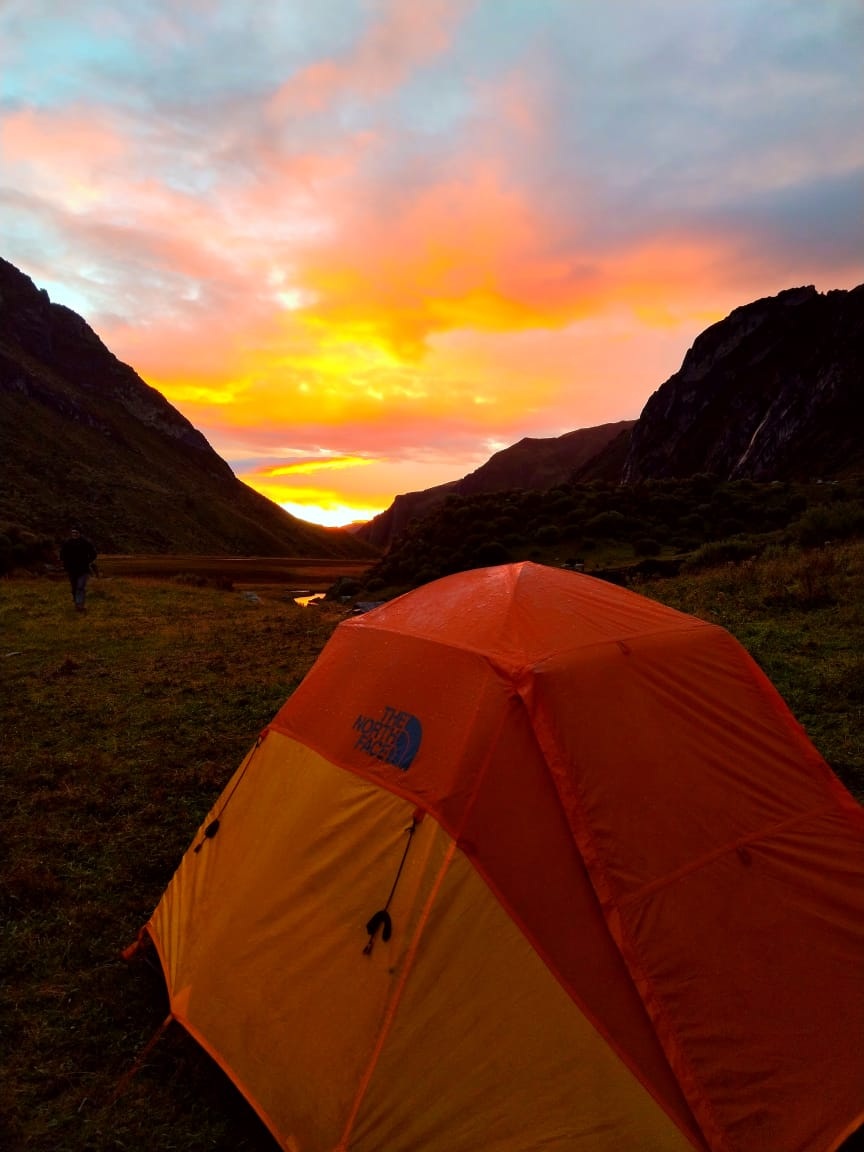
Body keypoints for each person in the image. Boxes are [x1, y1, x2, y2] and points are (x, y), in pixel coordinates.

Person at [59, 525, 98, 612]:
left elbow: (93, 553)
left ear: (80, 533)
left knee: (80, 587)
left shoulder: (85, 543)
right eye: (73, 532)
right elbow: (62, 554)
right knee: (74, 587)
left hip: (83, 569)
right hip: (71, 569)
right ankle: (77, 603)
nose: (74, 534)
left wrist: (88, 561)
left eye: (76, 532)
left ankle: (80, 605)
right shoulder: (67, 543)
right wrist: (65, 563)